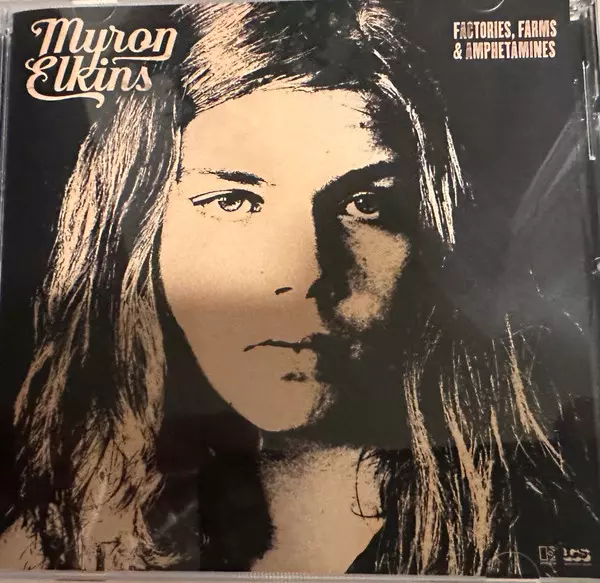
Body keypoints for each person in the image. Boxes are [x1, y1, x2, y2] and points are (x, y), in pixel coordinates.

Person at [0, 0, 596, 575]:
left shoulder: (547, 523)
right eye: (232, 201)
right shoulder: (51, 541)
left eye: (365, 205)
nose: (305, 276)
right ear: (143, 236)